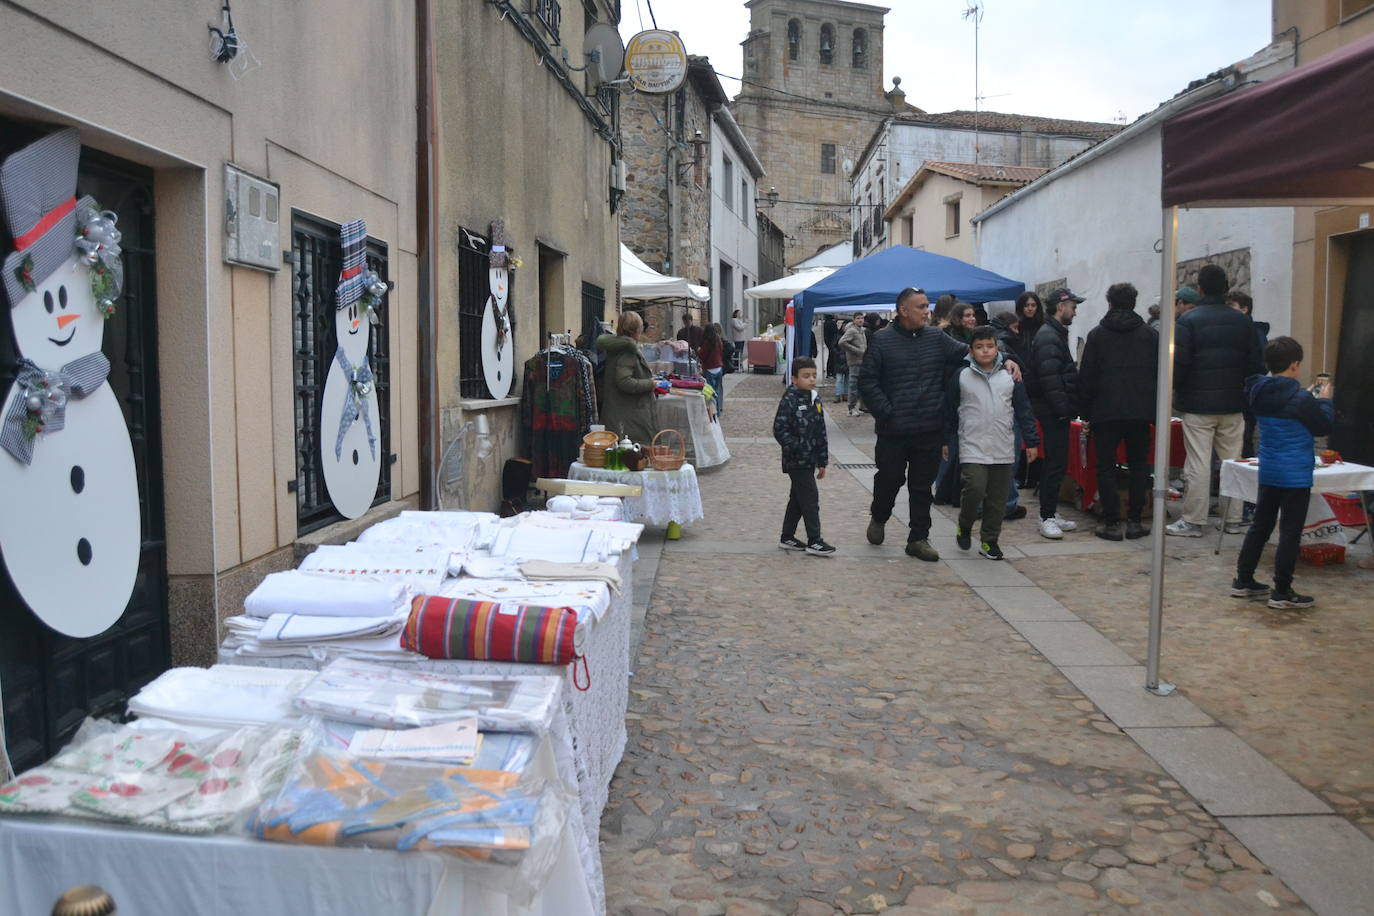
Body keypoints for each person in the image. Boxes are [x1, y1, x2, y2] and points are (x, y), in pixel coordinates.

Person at [860, 288, 994, 561]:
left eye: (927, 306)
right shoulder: (881, 341)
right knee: (889, 480)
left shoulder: (936, 337)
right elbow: (868, 381)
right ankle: (879, 515)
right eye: (920, 307)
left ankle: (918, 538)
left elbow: (969, 354)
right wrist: (887, 412)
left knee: (922, 487)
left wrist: (1005, 360)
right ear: (903, 311)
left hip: (928, 427)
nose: (926, 311)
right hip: (893, 430)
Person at [1232, 337, 1334, 608]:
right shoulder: (1300, 398)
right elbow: (1322, 425)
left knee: (1261, 525)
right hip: (1295, 473)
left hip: (1270, 468)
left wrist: (1308, 397)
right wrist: (1324, 401)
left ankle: (1243, 579)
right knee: (1290, 530)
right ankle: (1282, 590)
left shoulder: (1257, 390)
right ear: (1295, 365)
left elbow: (1289, 405)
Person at [1166, 264, 1264, 538]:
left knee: (1197, 463)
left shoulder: (1188, 321)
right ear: (1226, 288)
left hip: (1198, 404)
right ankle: (1232, 519)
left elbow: (1180, 364)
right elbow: (1255, 363)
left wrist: (1180, 390)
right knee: (1233, 462)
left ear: (1200, 289)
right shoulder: (1243, 321)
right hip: (1234, 403)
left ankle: (1194, 521)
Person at [944, 326, 1040, 560]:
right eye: (979, 347)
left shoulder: (1010, 375)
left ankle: (989, 540)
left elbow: (1023, 409)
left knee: (998, 499)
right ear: (971, 351)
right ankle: (965, 525)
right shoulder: (961, 376)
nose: (985, 351)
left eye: (990, 346)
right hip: (972, 443)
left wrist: (1032, 440)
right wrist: (946, 440)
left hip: (1003, 444)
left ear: (997, 348)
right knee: (974, 488)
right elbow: (948, 411)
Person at [1078, 282, 1158, 540]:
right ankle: (1134, 520)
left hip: (1105, 410)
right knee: (1138, 466)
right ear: (1134, 303)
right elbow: (1158, 375)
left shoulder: (1097, 335)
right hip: (1140, 411)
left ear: (1109, 303)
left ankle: (1111, 521)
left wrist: (1085, 412)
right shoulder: (1149, 335)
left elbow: (1087, 376)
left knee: (1106, 467)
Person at [1030, 288, 1084, 539]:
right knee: (1054, 463)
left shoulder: (1054, 333)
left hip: (1056, 411)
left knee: (1058, 463)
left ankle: (1050, 512)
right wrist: (1063, 410)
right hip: (1053, 412)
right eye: (1073, 306)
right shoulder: (1049, 336)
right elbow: (1049, 378)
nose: (1075, 311)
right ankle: (1046, 516)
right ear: (1061, 307)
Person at [773, 357, 835, 556]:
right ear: (794, 378)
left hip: (810, 460)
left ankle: (787, 537)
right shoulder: (790, 399)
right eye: (806, 376)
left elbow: (820, 431)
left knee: (798, 499)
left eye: (814, 376)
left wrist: (822, 460)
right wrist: (797, 447)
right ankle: (814, 540)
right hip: (796, 460)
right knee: (810, 498)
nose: (811, 380)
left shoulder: (814, 398)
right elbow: (779, 429)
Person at [596, 310, 667, 445]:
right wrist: (650, 384)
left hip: (620, 410)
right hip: (628, 413)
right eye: (640, 327)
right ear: (636, 330)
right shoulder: (627, 350)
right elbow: (624, 381)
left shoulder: (618, 347)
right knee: (631, 456)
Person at [1227, 291, 1269, 459]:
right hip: (1238, 392)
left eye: (1232, 307)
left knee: (1244, 438)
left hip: (1246, 394)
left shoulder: (1255, 333)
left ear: (1245, 309)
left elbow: (1262, 364)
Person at [839, 312, 868, 416]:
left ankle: (856, 406)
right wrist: (856, 350)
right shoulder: (852, 330)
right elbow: (842, 342)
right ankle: (851, 408)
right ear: (854, 320)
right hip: (855, 361)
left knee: (859, 385)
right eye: (858, 318)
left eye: (862, 318)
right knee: (853, 385)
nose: (860, 320)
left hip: (862, 361)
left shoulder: (861, 331)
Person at [700, 322, 726, 417]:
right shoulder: (718, 340)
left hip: (710, 368)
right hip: (719, 367)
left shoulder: (707, 342)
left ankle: (712, 412)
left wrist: (699, 351)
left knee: (709, 393)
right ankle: (717, 412)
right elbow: (722, 351)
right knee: (717, 391)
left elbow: (702, 355)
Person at [1014, 291, 1045, 359]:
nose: (1030, 309)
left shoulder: (1043, 326)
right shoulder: (1015, 327)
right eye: (1026, 305)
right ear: (1021, 307)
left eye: (1033, 305)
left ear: (1037, 307)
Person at [822, 314, 840, 378]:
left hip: (828, 342)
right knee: (833, 358)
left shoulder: (826, 323)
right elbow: (835, 332)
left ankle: (829, 372)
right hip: (832, 342)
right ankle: (832, 372)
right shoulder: (832, 323)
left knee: (830, 357)